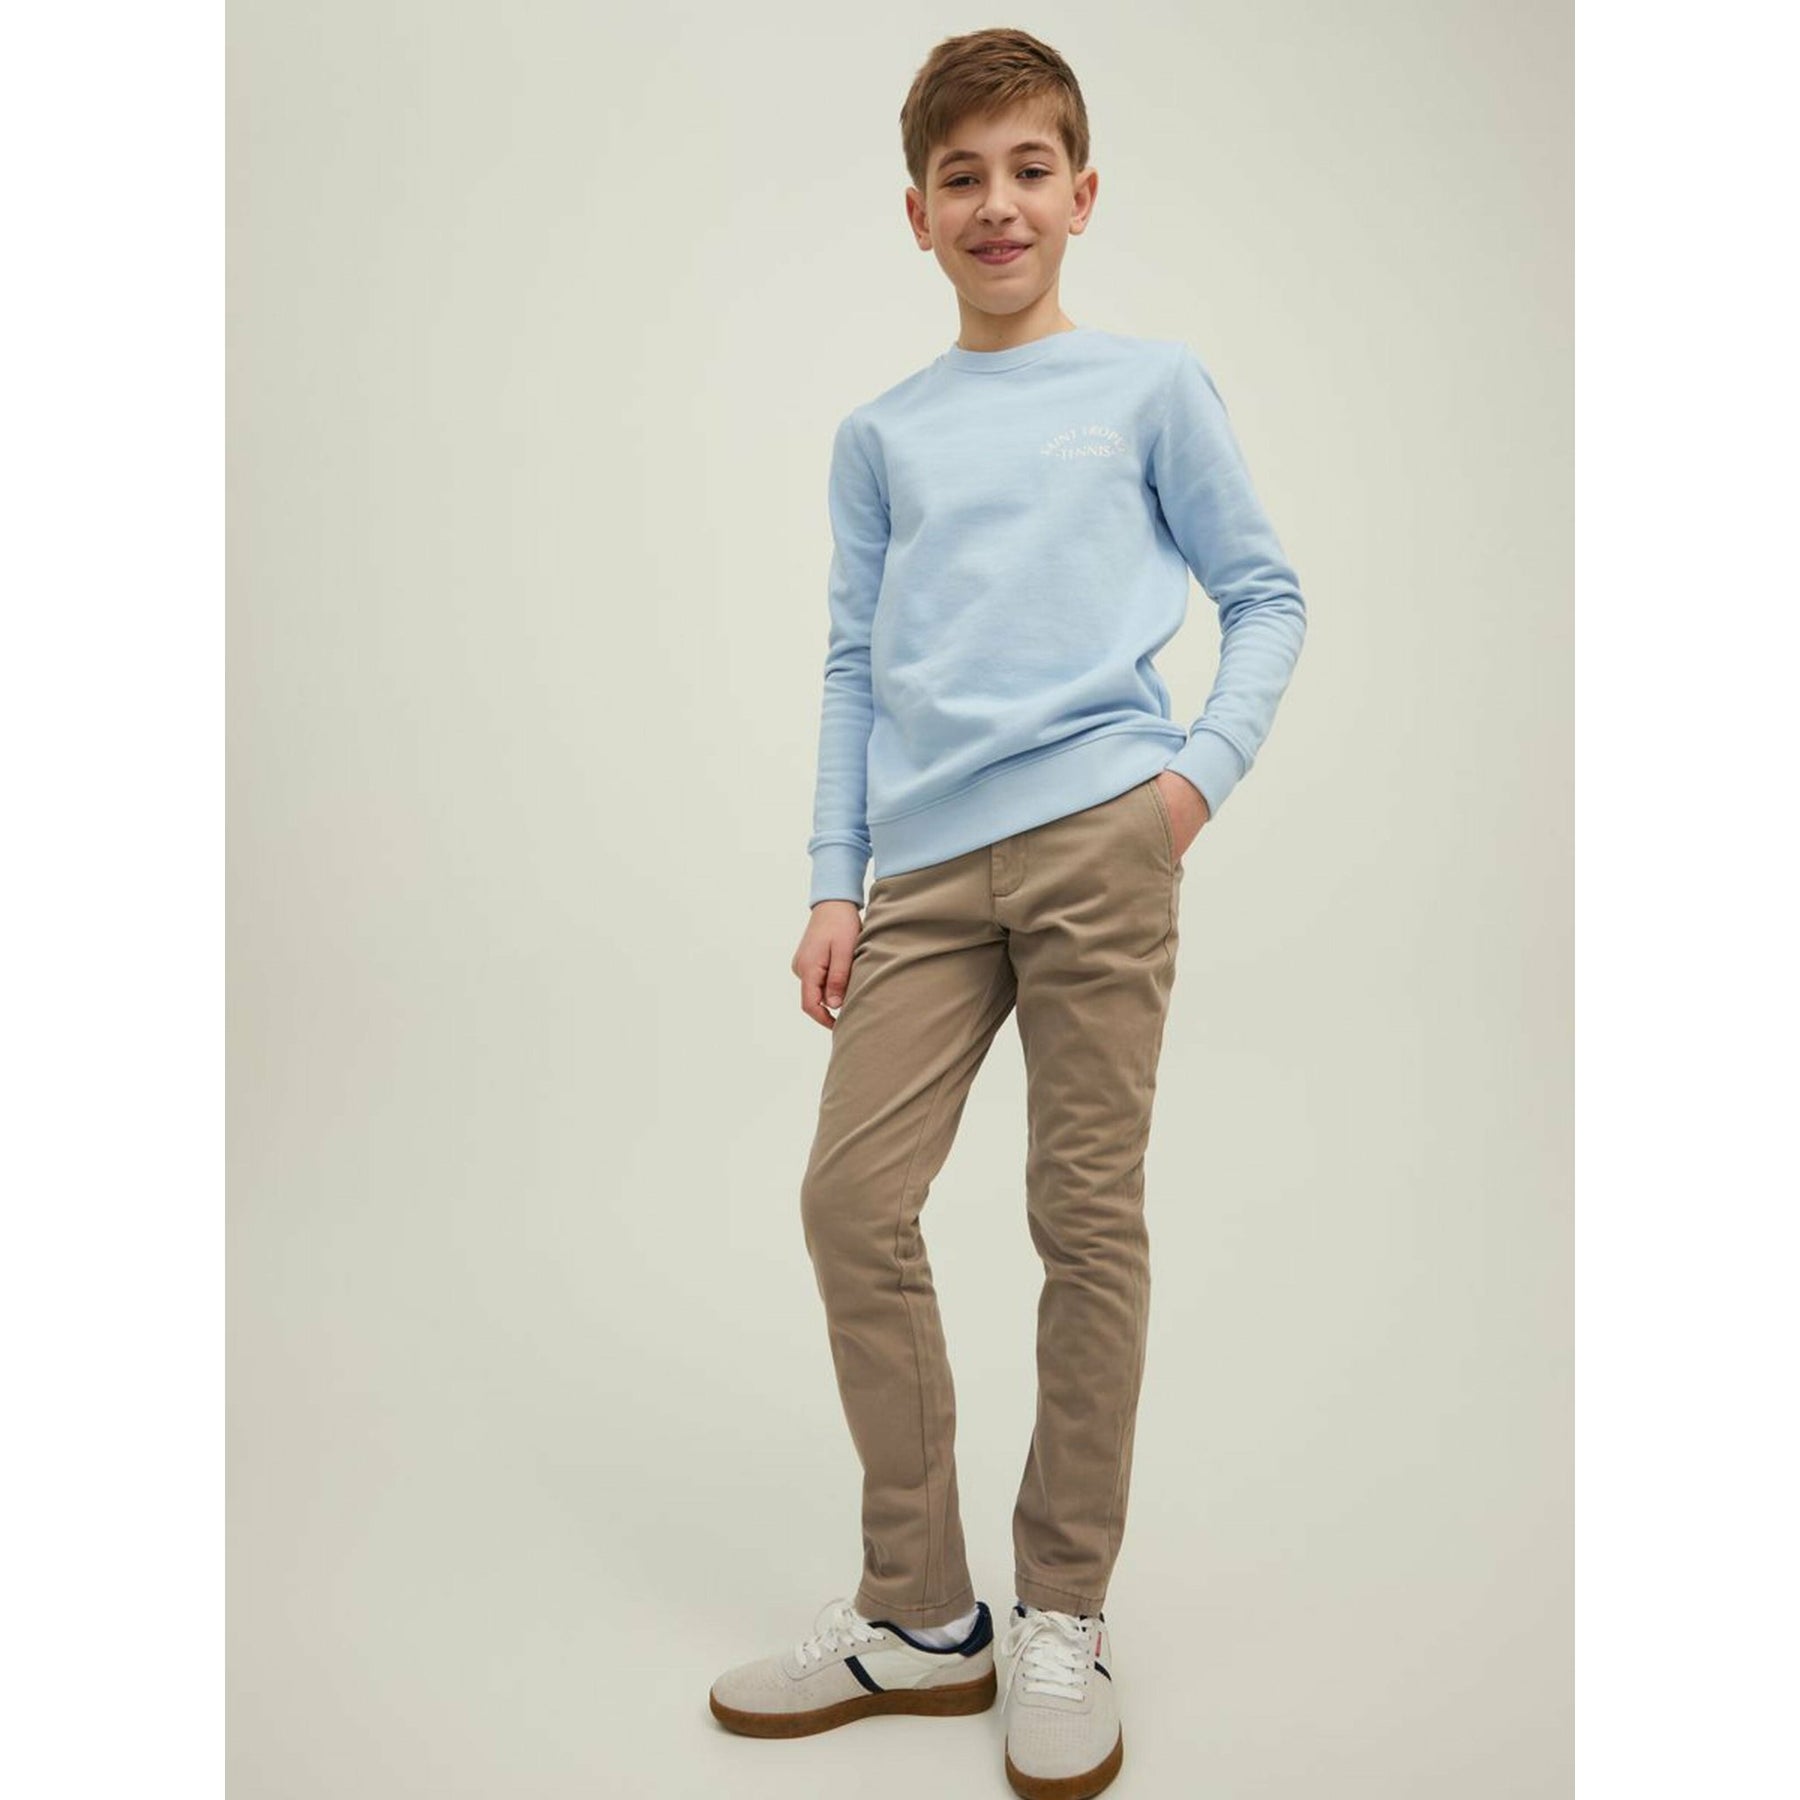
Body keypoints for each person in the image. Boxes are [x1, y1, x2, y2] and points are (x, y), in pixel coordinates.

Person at [708, 26, 1307, 1799]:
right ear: (916, 213)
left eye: (1029, 170)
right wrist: (834, 879)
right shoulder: (881, 435)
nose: (998, 204)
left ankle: (1064, 1612)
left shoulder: (1150, 388)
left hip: (1103, 840)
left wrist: (1184, 788)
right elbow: (851, 663)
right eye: (961, 177)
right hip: (923, 873)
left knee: (1083, 1219)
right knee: (850, 1201)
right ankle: (921, 1614)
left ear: (1082, 193)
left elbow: (1266, 595)